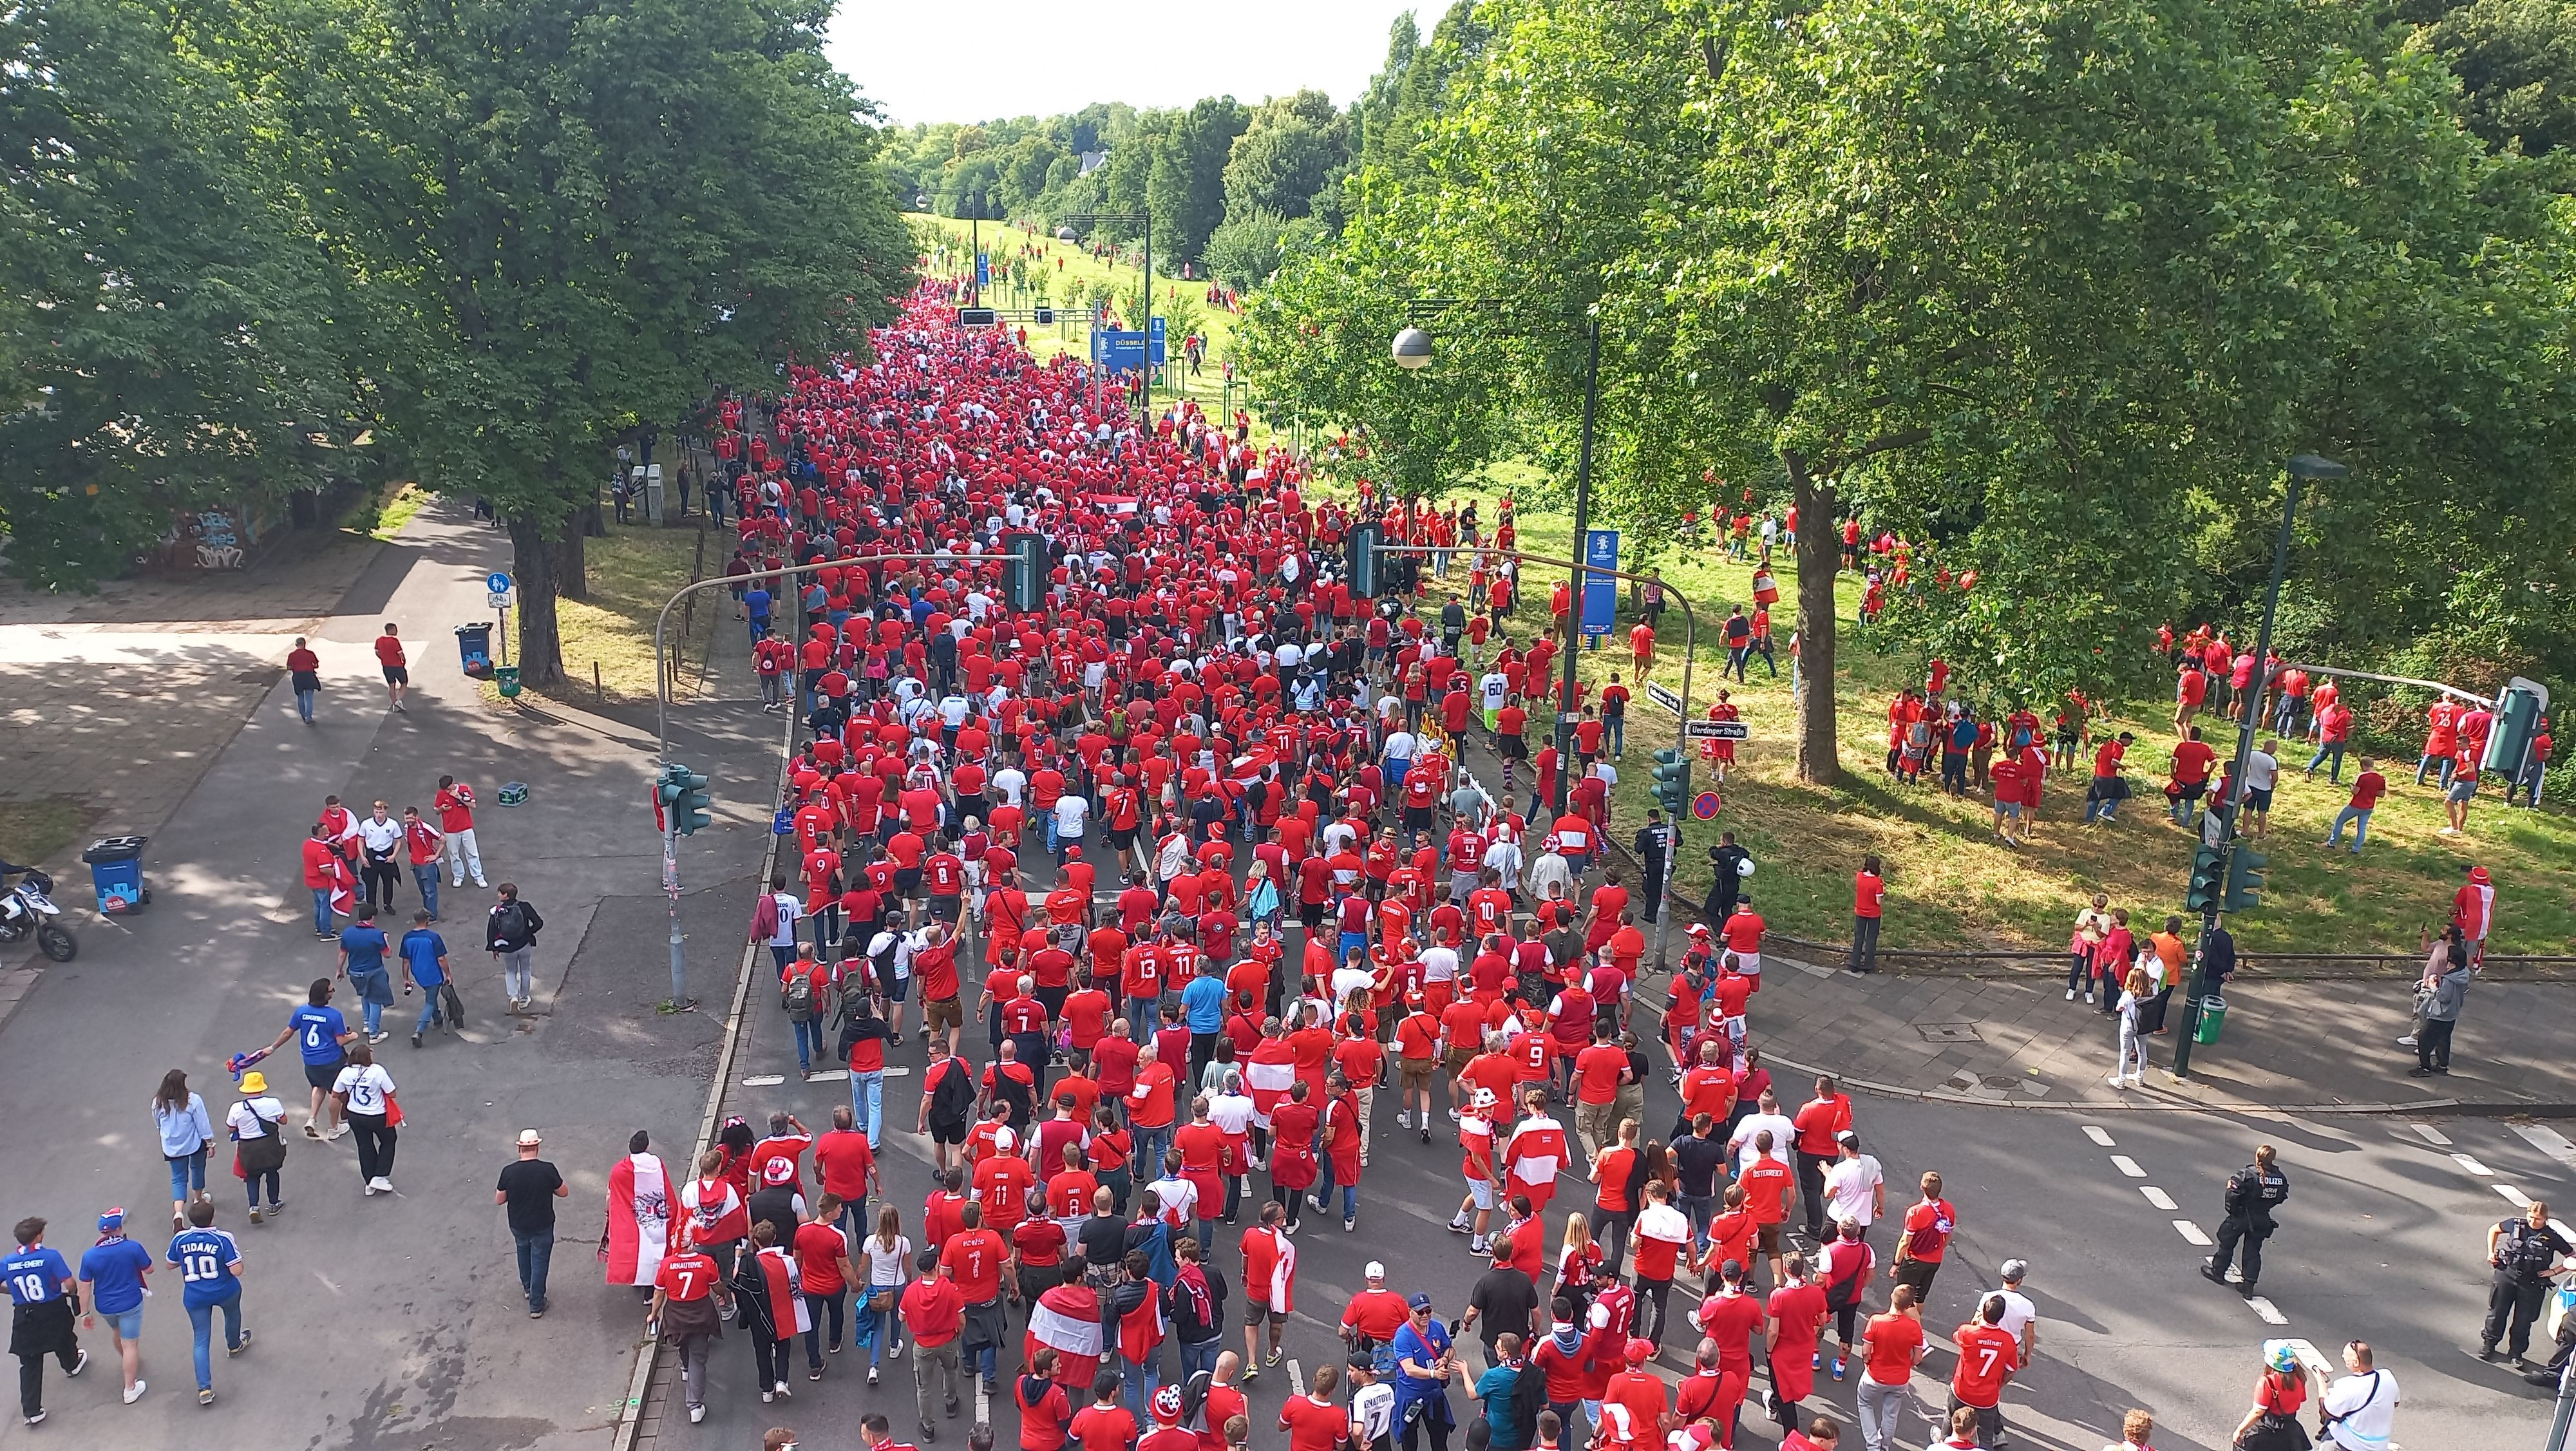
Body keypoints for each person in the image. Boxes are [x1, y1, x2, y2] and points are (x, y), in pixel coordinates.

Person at [5, 1217, 86, 1426]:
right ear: (38, 1236)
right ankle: (71, 1364)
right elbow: (69, 1283)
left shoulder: (7, 1262)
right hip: (51, 1308)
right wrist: (72, 1293)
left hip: (25, 1313)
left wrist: (12, 1291)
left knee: (29, 1361)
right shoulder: (50, 1256)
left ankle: (32, 1411)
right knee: (64, 1336)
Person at [166, 1200, 248, 1405]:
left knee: (201, 1339)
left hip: (195, 1296)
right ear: (213, 1217)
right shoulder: (223, 1238)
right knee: (232, 1314)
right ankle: (234, 1344)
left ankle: (204, 1388)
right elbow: (237, 1270)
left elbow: (170, 1264)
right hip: (224, 1291)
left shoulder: (180, 1239)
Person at [647, 1230, 731, 1425]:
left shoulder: (666, 1264)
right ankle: (695, 1405)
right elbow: (717, 1286)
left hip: (676, 1314)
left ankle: (685, 1367)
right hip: (700, 1313)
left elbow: (659, 1293)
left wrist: (654, 1314)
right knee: (698, 1360)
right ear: (692, 1244)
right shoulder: (706, 1262)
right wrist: (724, 1294)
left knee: (682, 1343)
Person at [78, 1207, 153, 1405]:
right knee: (130, 1345)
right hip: (130, 1302)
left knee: (117, 1331)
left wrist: (84, 1313)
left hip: (105, 1306)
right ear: (119, 1228)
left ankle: (127, 1359)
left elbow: (84, 1287)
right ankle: (130, 1388)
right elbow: (150, 1269)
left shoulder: (90, 1256)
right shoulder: (132, 1247)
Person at [2482, 1200, 2571, 1365]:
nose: (2533, 1221)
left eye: (2538, 1219)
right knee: (2497, 1313)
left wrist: (2553, 1272)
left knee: (2524, 1320)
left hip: (2532, 1283)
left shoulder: (2552, 1237)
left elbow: (2572, 1257)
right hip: (2507, 1275)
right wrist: (2491, 1252)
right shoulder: (2515, 1225)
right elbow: (2494, 1230)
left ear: (2545, 1219)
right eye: (2530, 1217)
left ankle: (2516, 1353)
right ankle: (2489, 1345)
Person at [496, 1129, 568, 1317]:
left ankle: (528, 1287)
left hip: (518, 1224)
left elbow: (499, 1199)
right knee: (540, 1261)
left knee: (523, 1251)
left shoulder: (508, 1171)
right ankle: (536, 1304)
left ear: (519, 1148)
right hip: (542, 1224)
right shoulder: (547, 1169)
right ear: (537, 1147)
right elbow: (563, 1192)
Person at [1852, 1284, 1926, 1451]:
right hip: (1900, 1380)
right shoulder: (1914, 1327)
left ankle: (1873, 1446)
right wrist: (1906, 1365)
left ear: (1892, 1297)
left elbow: (1865, 1351)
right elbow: (1918, 1358)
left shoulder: (1876, 1321)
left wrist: (1868, 1363)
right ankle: (1885, 1446)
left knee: (1865, 1404)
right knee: (1891, 1414)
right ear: (1909, 1305)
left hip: (1874, 1376)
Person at [1947, 1293, 2018, 1450]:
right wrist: (1999, 1385)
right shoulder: (2008, 1340)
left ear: (1983, 1312)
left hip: (1962, 1390)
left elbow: (1956, 1337)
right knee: (1986, 1435)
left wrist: (1975, 1324)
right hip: (1987, 1397)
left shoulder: (1967, 1331)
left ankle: (1942, 1444)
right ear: (2001, 1317)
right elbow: (2011, 1371)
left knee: (1951, 1422)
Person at [332, 1041, 399, 1195]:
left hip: (355, 1115)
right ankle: (380, 1175)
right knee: (389, 1140)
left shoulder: (345, 1072)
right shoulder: (377, 1071)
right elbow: (392, 1093)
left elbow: (335, 1093)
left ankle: (369, 1181)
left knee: (365, 1146)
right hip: (377, 1115)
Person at [153, 1068, 215, 1233]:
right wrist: (209, 1142)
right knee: (198, 1169)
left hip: (172, 1147)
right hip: (193, 1143)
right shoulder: (192, 1100)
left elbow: (158, 1123)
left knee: (178, 1179)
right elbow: (202, 1123)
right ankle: (198, 1199)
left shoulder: (158, 1102)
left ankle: (178, 1213)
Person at [2228, 1341, 2311, 1451]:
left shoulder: (2267, 1382)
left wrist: (2240, 1430)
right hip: (2290, 1429)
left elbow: (2258, 1412)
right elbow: (2302, 1399)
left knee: (2241, 1445)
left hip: (2268, 1428)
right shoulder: (2300, 1378)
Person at [2318, 1340, 2399, 1451]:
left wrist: (2320, 1380)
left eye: (2345, 1356)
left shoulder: (2347, 1385)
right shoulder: (2387, 1376)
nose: (2343, 1357)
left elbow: (2326, 1410)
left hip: (2353, 1445)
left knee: (2327, 1440)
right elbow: (2395, 1403)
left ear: (2356, 1362)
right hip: (2380, 1444)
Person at [337, 906, 395, 1043]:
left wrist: (339, 970)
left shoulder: (348, 933)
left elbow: (342, 954)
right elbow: (388, 954)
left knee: (365, 995)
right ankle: (374, 1034)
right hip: (374, 972)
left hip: (355, 972)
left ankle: (367, 1023)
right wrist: (386, 939)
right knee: (376, 1000)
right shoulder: (377, 935)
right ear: (372, 917)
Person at [2411, 944, 2470, 1077]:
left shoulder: (2449, 979)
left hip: (2440, 1014)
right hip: (2452, 1014)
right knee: (2444, 1040)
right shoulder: (2463, 974)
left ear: (2451, 960)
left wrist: (2434, 987)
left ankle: (2425, 1067)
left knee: (2424, 1039)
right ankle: (2442, 1066)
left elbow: (2443, 997)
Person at [486, 882, 545, 1014]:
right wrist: (529, 933)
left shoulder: (497, 912)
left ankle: (513, 997)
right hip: (524, 944)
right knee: (525, 970)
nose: (498, 895)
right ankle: (524, 999)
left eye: (500, 893)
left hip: (507, 947)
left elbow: (492, 931)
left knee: (510, 972)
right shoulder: (524, 907)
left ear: (506, 896)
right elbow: (538, 923)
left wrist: (494, 948)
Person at [1850, 857, 1886, 974]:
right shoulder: (1878, 882)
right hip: (1873, 914)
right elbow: (1878, 902)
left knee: (1859, 937)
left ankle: (1854, 963)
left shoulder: (1859, 876)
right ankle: (1868, 965)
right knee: (1871, 939)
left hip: (1860, 912)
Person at [374, 621, 410, 712]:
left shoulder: (379, 640)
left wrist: (383, 658)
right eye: (395, 629)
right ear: (391, 630)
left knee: (391, 685)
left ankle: (394, 704)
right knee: (404, 683)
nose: (397, 631)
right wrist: (403, 661)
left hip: (386, 666)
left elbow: (377, 652)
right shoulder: (394, 641)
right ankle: (398, 700)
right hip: (397, 666)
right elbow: (400, 654)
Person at [287, 636, 322, 723]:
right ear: (304, 644)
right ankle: (308, 718)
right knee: (309, 698)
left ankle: (303, 715)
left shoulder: (292, 655)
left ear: (296, 645)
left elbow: (289, 667)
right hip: (309, 676)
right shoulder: (310, 654)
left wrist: (296, 667)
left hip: (298, 677)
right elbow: (316, 665)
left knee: (300, 696)